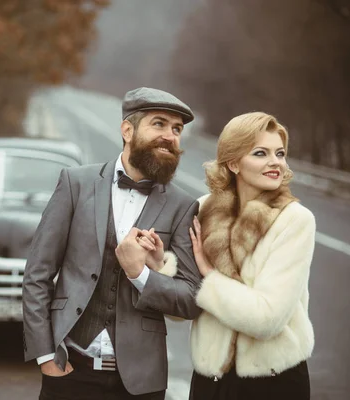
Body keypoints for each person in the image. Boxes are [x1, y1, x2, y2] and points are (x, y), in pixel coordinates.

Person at [22, 87, 203, 400]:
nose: (170, 136)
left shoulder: (182, 205)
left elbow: (190, 299)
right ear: (127, 130)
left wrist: (141, 274)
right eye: (159, 124)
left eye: (176, 130)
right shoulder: (75, 184)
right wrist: (45, 356)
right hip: (69, 367)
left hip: (140, 381)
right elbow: (37, 275)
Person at [133, 111, 316, 399]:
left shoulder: (295, 220)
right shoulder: (203, 209)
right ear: (233, 163)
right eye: (260, 153)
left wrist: (209, 273)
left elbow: (267, 320)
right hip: (210, 382)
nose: (275, 162)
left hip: (273, 382)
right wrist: (160, 268)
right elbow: (183, 310)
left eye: (280, 153)